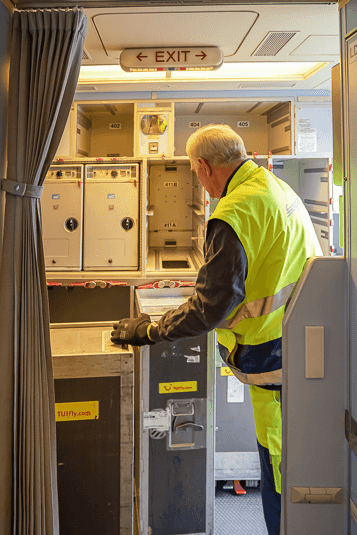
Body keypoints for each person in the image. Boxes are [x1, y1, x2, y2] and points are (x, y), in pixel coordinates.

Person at [111, 123, 321, 535]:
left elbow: (210, 307)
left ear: (204, 167)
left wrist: (152, 331)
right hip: (301, 344)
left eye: (194, 171)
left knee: (281, 472)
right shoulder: (275, 188)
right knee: (294, 464)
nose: (198, 180)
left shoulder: (233, 212)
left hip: (273, 358)